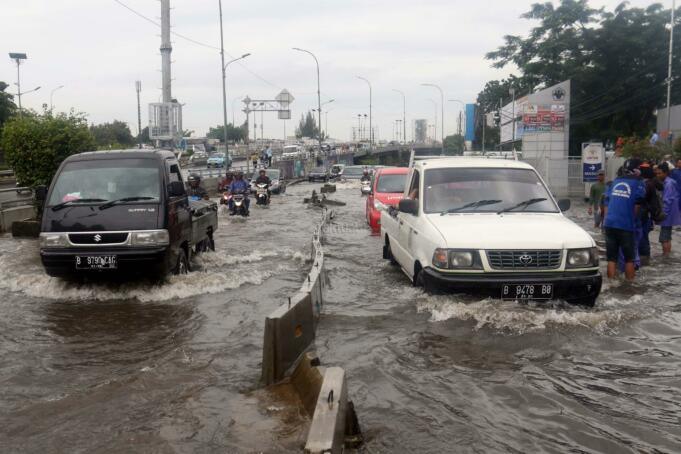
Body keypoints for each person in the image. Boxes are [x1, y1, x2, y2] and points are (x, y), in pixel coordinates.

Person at [602, 168, 646, 281]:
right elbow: (637, 206)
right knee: (629, 259)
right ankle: (629, 286)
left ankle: (611, 284)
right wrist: (633, 222)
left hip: (610, 224)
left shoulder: (613, 183)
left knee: (611, 258)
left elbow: (606, 204)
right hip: (625, 225)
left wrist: (605, 223)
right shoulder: (638, 183)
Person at [638, 163, 663, 266]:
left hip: (644, 216)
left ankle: (644, 260)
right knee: (644, 237)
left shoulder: (647, 184)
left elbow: (645, 200)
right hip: (647, 216)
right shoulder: (652, 183)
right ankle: (645, 260)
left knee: (642, 238)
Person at [655, 162, 681, 256]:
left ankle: (665, 257)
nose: (658, 175)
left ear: (666, 173)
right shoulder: (670, 182)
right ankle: (668, 256)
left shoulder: (668, 184)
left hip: (667, 215)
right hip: (671, 214)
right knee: (667, 236)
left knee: (664, 238)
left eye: (660, 173)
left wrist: (663, 214)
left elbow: (667, 201)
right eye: (657, 173)